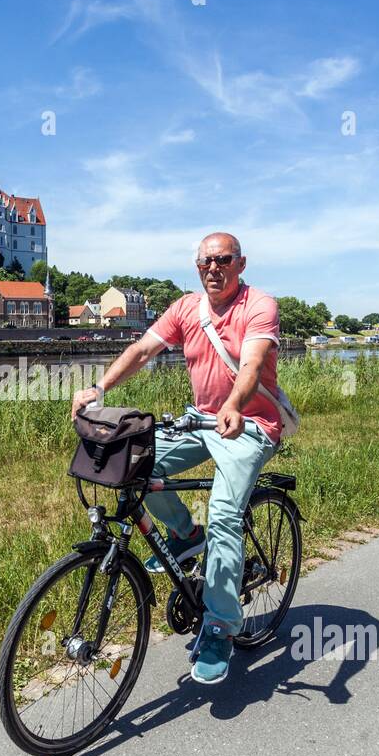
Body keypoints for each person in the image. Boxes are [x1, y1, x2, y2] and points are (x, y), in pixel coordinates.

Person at [70, 232, 283, 684]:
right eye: (204, 261)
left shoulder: (260, 305)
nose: (212, 268)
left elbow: (250, 365)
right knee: (138, 464)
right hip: (201, 420)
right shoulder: (186, 308)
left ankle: (222, 625)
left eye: (222, 260)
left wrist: (234, 405)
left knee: (226, 513)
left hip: (249, 425)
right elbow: (143, 351)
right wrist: (99, 389)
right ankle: (186, 535)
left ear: (240, 264)